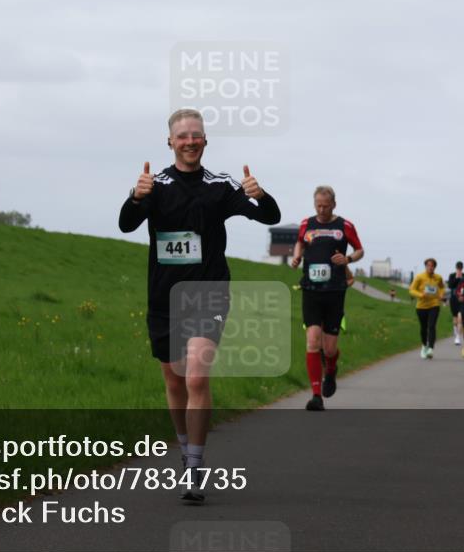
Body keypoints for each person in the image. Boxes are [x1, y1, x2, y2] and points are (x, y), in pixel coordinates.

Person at [118, 108, 281, 502]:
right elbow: (126, 224)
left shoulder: (220, 186)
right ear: (170, 142)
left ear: (205, 141)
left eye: (197, 134)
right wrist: (134, 196)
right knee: (174, 381)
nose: (190, 140)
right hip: (163, 299)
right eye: (182, 135)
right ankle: (184, 449)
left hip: (209, 294)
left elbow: (270, 216)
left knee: (195, 378)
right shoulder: (153, 185)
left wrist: (262, 195)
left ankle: (195, 465)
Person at [291, 186, 363, 411]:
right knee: (313, 340)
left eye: (325, 206)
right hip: (311, 289)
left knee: (329, 348)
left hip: (334, 290)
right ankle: (315, 396)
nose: (321, 210)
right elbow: (301, 242)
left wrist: (348, 258)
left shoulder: (345, 226)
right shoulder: (306, 224)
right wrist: (296, 255)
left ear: (333, 204)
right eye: (318, 206)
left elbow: (360, 250)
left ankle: (330, 369)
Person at [408, 258, 445, 359]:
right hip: (421, 306)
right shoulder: (419, 277)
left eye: (432, 266)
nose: (430, 267)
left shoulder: (438, 277)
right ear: (426, 266)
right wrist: (420, 295)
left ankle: (431, 349)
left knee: (432, 326)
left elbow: (442, 287)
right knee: (423, 328)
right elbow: (411, 290)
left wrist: (441, 295)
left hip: (434, 304)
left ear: (434, 267)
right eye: (428, 265)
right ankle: (424, 345)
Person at [446, 261, 464, 345]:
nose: (459, 269)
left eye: (460, 268)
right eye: (458, 268)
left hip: (461, 299)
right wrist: (457, 277)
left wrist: (461, 278)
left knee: (460, 317)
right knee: (455, 318)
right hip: (453, 299)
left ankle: (458, 337)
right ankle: (455, 331)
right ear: (456, 268)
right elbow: (450, 285)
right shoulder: (452, 275)